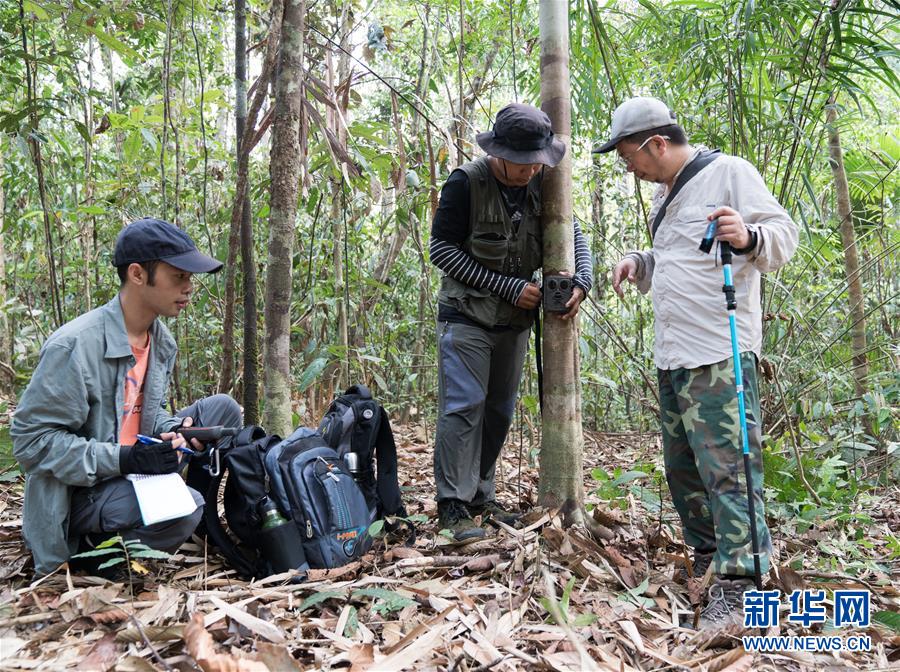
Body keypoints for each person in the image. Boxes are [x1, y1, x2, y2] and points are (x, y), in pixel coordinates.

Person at [600, 97, 798, 628]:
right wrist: (640, 263)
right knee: (684, 470)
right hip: (674, 356)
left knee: (731, 470)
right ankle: (712, 564)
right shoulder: (668, 194)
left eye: (629, 157)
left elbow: (783, 235)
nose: (629, 168)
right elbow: (682, 259)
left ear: (657, 144)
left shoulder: (730, 172)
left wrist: (750, 235)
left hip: (719, 352)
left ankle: (744, 586)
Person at [12, 218, 243, 577]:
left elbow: (140, 413)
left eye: (190, 278)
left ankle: (178, 517)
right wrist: (126, 458)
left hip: (135, 467)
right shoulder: (74, 347)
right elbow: (33, 444)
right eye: (178, 276)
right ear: (138, 274)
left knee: (223, 411)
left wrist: (174, 430)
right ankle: (90, 554)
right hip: (81, 491)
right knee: (186, 507)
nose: (189, 288)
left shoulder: (160, 341)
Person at [430, 103, 593, 541]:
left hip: (515, 323)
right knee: (464, 406)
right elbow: (441, 251)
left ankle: (483, 496)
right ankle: (453, 507)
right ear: (497, 152)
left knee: (499, 411)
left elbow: (574, 235)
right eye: (520, 164)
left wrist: (582, 281)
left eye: (536, 163)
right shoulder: (466, 183)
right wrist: (505, 286)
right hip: (466, 317)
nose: (528, 172)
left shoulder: (545, 183)